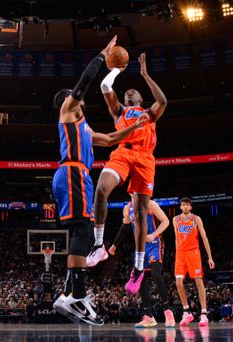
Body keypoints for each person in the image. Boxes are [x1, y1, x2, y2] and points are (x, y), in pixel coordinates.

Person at [51, 36, 150, 326]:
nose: (80, 98)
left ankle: (70, 293)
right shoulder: (68, 112)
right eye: (76, 96)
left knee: (79, 232)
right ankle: (77, 297)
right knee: (83, 230)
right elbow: (84, 81)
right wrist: (102, 55)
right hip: (72, 173)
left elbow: (107, 139)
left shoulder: (83, 125)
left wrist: (132, 127)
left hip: (75, 175)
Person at [88, 52, 168, 295]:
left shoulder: (150, 113)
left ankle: (138, 267)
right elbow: (104, 85)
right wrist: (117, 70)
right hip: (123, 152)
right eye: (126, 93)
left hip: (145, 157)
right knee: (101, 189)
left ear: (141, 98)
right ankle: (99, 245)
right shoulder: (119, 111)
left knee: (141, 213)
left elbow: (163, 101)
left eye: (134, 92)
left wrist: (145, 74)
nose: (129, 93)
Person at [109, 197, 174, 327]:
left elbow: (166, 221)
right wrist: (115, 244)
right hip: (140, 248)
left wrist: (155, 234)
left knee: (156, 275)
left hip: (154, 243)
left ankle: (168, 311)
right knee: (141, 281)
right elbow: (125, 227)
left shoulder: (150, 203)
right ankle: (149, 316)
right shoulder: (127, 208)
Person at [173, 197, 215, 326]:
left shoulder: (196, 219)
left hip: (193, 252)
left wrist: (210, 257)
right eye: (183, 205)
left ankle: (203, 313)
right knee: (178, 282)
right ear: (180, 207)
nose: (185, 207)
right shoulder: (175, 219)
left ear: (190, 207)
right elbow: (176, 238)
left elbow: (204, 238)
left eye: (187, 205)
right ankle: (187, 311)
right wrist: (177, 253)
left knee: (199, 281)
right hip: (180, 253)